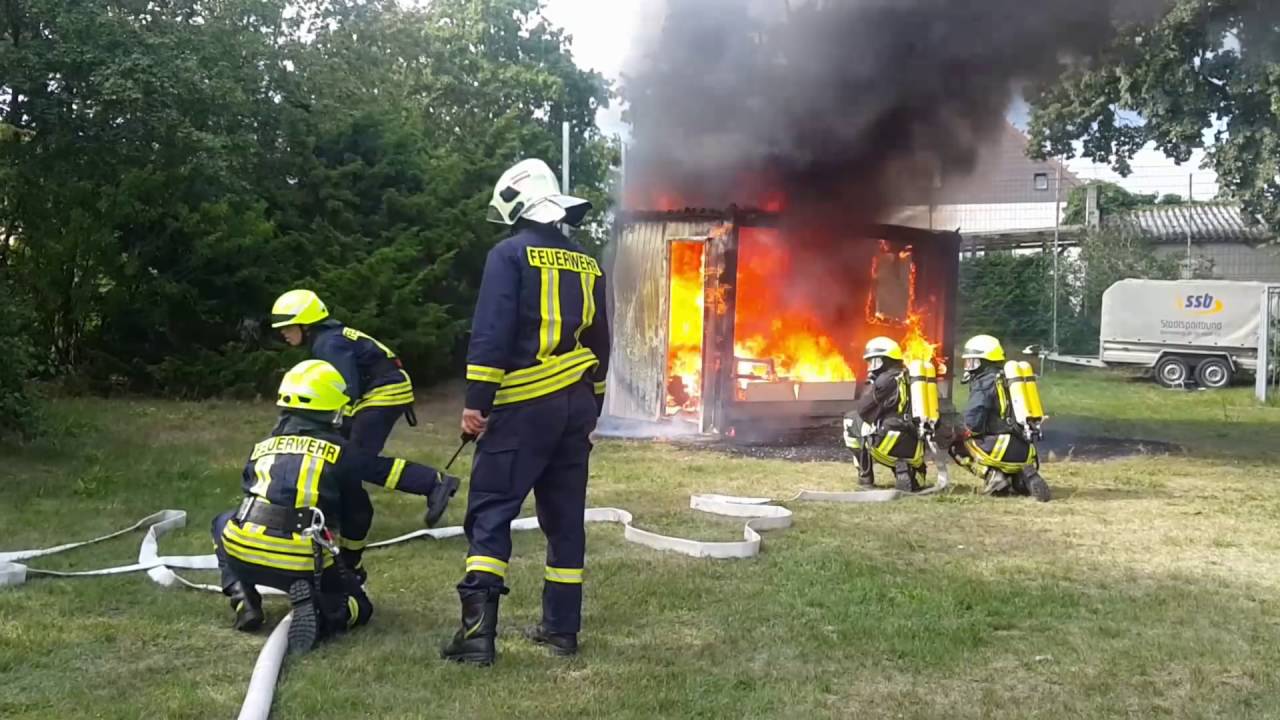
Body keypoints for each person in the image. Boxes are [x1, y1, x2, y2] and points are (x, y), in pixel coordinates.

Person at [440, 158, 610, 666]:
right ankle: (561, 632)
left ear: (517, 201)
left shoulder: (508, 255)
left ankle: (476, 637)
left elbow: (491, 336)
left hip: (521, 407)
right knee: (565, 520)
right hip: (576, 406)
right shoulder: (589, 262)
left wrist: (476, 405)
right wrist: (592, 402)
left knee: (491, 510)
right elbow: (603, 341)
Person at [210, 360, 461, 653]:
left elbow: (249, 493)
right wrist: (351, 564)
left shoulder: (262, 446)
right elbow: (359, 515)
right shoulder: (341, 452)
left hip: (244, 554)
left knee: (222, 521)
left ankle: (242, 597)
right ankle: (326, 614)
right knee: (361, 607)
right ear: (331, 409)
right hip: (302, 563)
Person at [270, 289, 446, 523]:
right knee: (344, 457)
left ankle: (432, 483)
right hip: (382, 389)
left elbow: (345, 389)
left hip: (384, 392)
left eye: (287, 326)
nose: (283, 333)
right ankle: (341, 514)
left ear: (305, 324)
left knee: (356, 461)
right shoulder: (330, 338)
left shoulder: (328, 344)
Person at [951, 334, 1051, 502]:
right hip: (1025, 447)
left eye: (972, 361)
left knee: (956, 445)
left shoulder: (985, 382)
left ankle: (992, 475)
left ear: (983, 361)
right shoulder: (1009, 379)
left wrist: (959, 432)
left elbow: (973, 419)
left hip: (999, 447)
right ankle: (1022, 476)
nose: (968, 367)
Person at [843, 336, 927, 492]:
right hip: (915, 443)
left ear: (886, 360)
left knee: (851, 419)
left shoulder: (885, 380)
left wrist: (872, 385)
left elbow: (863, 409)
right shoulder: (911, 376)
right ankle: (907, 470)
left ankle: (865, 477)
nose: (870, 367)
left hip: (889, 440)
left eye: (874, 361)